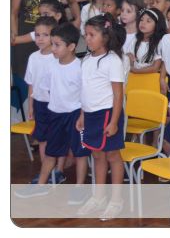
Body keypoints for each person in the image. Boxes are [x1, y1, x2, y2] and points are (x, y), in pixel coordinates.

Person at [15, 23, 90, 201]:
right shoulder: (52, 66)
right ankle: (41, 184)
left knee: (80, 154)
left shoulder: (81, 68)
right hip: (55, 114)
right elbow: (46, 91)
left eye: (57, 45)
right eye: (53, 44)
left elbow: (86, 95)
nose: (53, 48)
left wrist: (82, 116)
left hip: (74, 115)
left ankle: (80, 188)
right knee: (50, 152)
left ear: (71, 47)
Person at [11, 0, 81, 100]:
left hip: (51, 40)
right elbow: (14, 12)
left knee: (49, 79)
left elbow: (72, 2)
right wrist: (14, 35)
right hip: (25, 36)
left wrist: (77, 21)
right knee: (24, 77)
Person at [74, 14, 126, 220]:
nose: (87, 38)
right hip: (91, 115)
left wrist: (114, 121)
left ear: (105, 37)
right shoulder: (86, 59)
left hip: (107, 114)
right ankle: (98, 196)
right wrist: (82, 115)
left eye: (91, 35)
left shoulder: (113, 61)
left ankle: (116, 200)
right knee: (97, 155)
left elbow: (118, 94)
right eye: (85, 34)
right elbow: (85, 91)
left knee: (113, 156)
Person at [24, 16, 64, 184]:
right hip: (40, 104)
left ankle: (59, 171)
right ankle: (45, 172)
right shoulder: (33, 57)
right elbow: (31, 84)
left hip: (57, 105)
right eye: (38, 35)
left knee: (59, 138)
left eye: (45, 35)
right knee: (42, 139)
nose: (40, 38)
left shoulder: (57, 57)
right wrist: (31, 106)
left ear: (54, 36)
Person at [124, 7, 166, 74]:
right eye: (141, 20)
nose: (143, 23)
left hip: (150, 79)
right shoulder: (136, 38)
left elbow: (155, 68)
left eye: (148, 21)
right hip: (134, 77)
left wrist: (135, 71)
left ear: (157, 25)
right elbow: (130, 57)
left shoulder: (159, 42)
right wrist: (129, 58)